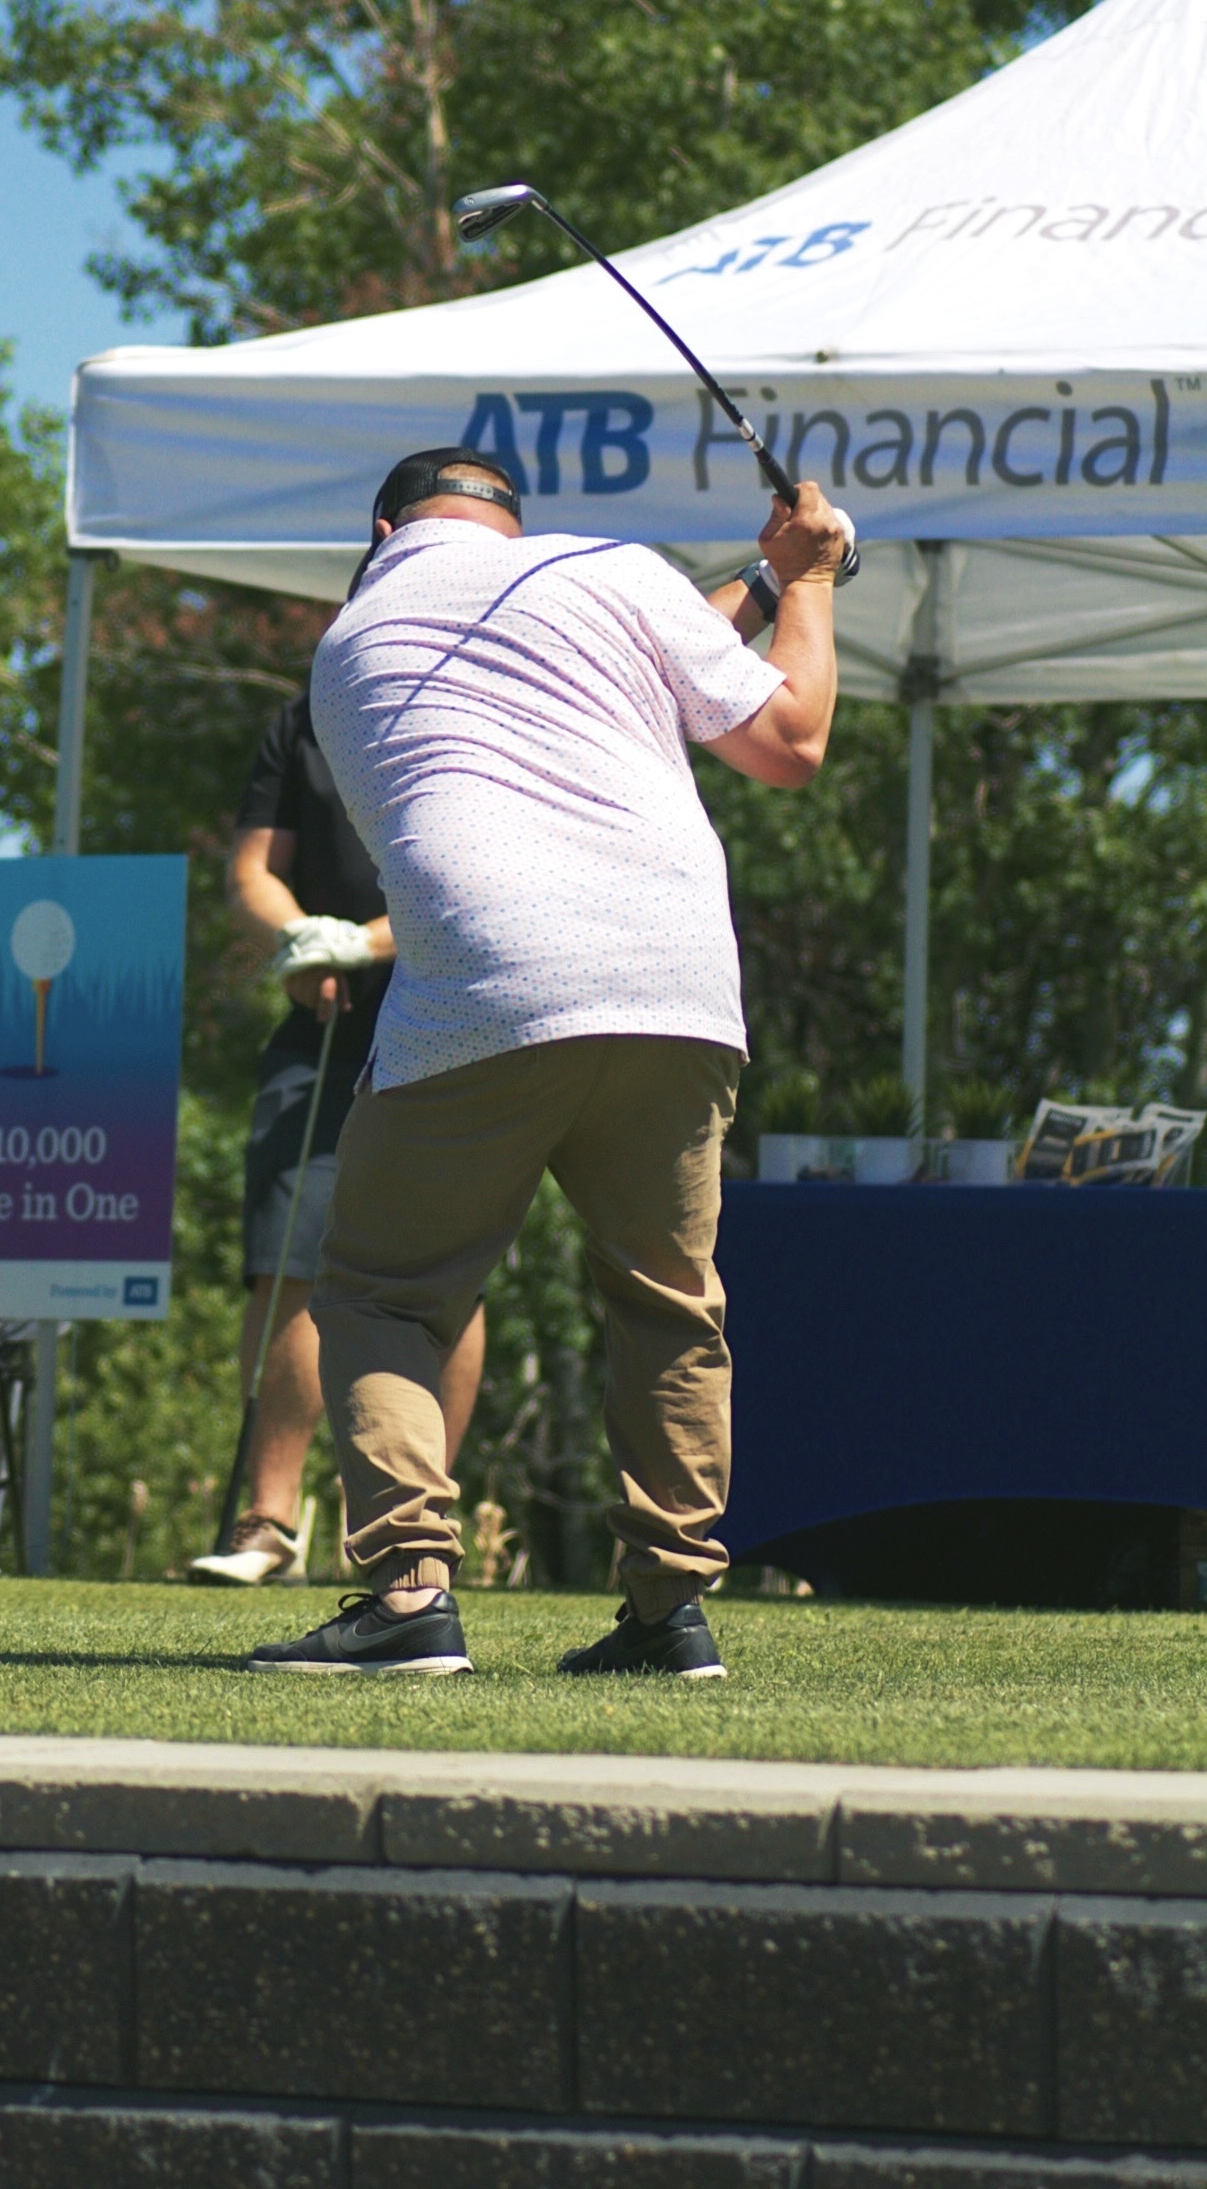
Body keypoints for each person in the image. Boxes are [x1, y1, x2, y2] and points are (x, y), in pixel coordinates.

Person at [247, 446, 845, 1677]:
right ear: (515, 528)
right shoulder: (613, 572)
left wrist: (768, 579)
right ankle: (670, 1612)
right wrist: (808, 579)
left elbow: (594, 660)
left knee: (381, 1295)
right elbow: (786, 735)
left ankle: (410, 1596)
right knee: (667, 1302)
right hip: (679, 979)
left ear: (381, 532)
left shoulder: (347, 646)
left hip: (488, 985)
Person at [189, 690, 485, 1584]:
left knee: (449, 1272)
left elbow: (484, 878)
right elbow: (252, 871)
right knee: (288, 1260)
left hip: (451, 1019)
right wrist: (301, 940)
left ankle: (409, 1526)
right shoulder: (305, 718)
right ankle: (269, 1524)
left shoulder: (475, 698)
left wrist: (363, 942)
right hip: (321, 1024)